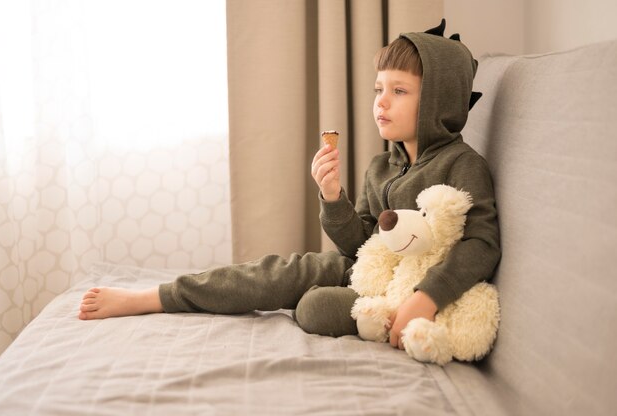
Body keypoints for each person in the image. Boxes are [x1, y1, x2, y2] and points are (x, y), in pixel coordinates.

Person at [79, 19, 500, 351]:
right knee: (278, 272)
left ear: (438, 102)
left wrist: (424, 298)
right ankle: (158, 297)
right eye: (377, 89)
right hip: (367, 275)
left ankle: (386, 317)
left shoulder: (462, 164)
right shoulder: (380, 167)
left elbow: (482, 244)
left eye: (399, 91)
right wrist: (333, 198)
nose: (381, 102)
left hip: (414, 285)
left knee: (312, 310)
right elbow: (359, 248)